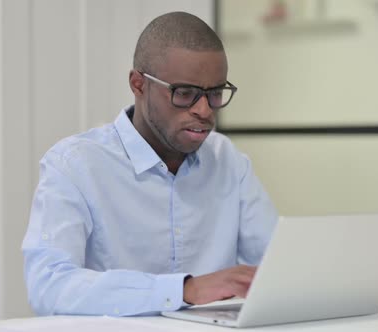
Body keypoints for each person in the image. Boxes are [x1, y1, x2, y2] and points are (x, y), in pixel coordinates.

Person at [22, 11, 277, 316]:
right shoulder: (75, 165)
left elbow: (276, 267)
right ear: (138, 84)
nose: (204, 110)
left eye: (215, 94)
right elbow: (49, 286)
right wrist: (183, 290)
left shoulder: (228, 161)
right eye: (185, 93)